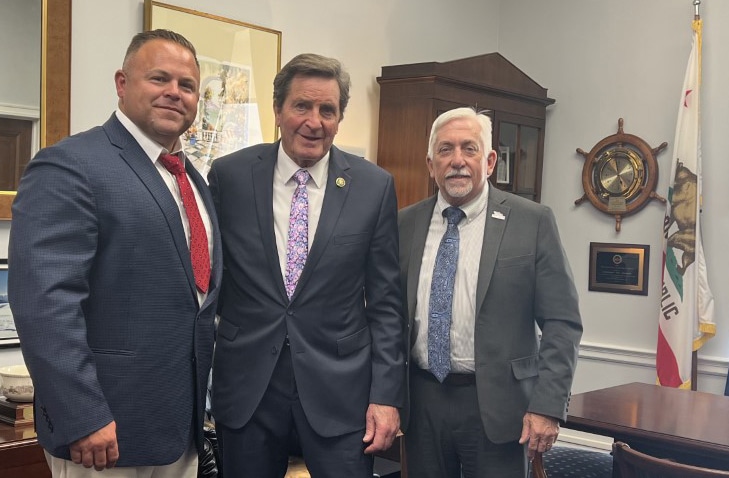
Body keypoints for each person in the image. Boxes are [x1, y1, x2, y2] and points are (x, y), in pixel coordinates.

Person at [8, 29, 222, 477]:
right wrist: (82, 415)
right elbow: (46, 305)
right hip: (104, 434)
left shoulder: (192, 180)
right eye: (158, 78)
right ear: (122, 83)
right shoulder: (70, 165)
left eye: (186, 86)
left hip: (177, 429)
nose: (174, 93)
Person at [208, 53, 405, 478]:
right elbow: (210, 282)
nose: (314, 121)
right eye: (302, 106)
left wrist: (386, 396)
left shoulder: (373, 187)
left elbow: (387, 304)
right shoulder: (230, 177)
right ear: (278, 111)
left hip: (341, 394)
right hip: (248, 391)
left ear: (338, 119)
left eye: (327, 110)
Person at [398, 107, 583, 478]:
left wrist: (547, 405)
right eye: (446, 150)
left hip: (500, 407)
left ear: (490, 160)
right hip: (421, 402)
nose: (458, 161)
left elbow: (562, 322)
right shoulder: (404, 223)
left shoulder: (532, 221)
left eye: (470, 148)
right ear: (430, 163)